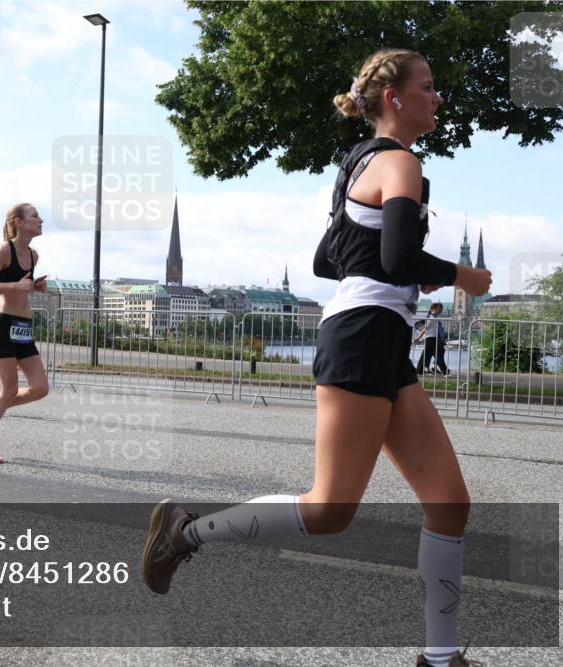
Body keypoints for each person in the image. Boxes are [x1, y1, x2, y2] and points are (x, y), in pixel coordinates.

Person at [140, 50, 492, 667]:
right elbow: (397, 259)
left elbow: (326, 262)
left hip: (380, 340)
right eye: (429, 88)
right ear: (394, 99)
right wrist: (463, 276)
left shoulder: (357, 163)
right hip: (361, 338)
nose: (439, 100)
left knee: (448, 501)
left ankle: (442, 658)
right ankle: (183, 532)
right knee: (329, 510)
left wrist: (403, 268)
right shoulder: (399, 161)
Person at [0, 203, 50, 464]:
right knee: (9, 390)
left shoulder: (33, 255)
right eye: (35, 216)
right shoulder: (5, 250)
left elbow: (21, 288)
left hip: (24, 328)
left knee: (40, 388)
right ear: (18, 221)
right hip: (4, 326)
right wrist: (15, 285)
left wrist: (34, 288)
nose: (40, 220)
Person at [416, 302, 448, 375]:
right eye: (439, 309)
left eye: (441, 309)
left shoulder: (434, 317)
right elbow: (425, 329)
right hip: (431, 339)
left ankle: (419, 370)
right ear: (434, 308)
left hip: (431, 339)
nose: (441, 311)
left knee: (425, 355)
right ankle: (445, 372)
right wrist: (418, 338)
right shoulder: (432, 318)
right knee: (438, 355)